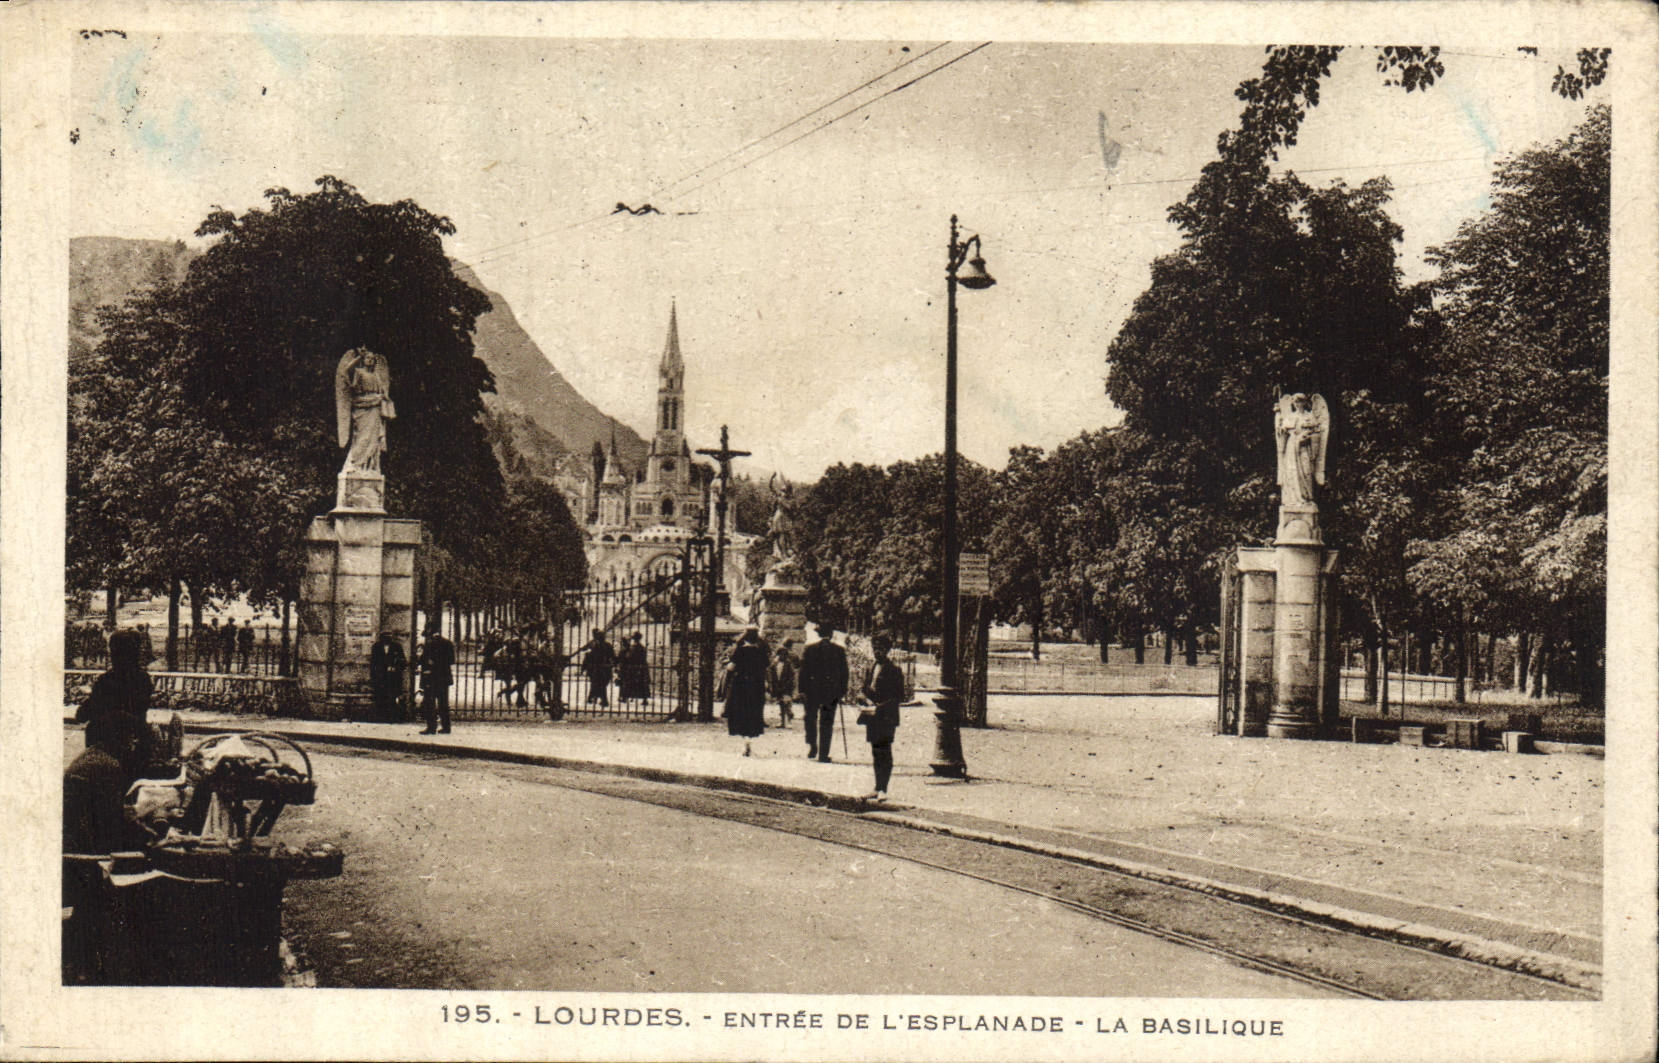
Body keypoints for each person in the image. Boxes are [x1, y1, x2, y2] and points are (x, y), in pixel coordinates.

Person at [76, 628, 154, 769]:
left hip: (105, 750)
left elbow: (81, 715)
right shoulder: (143, 679)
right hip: (133, 748)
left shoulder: (106, 681)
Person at [858, 633, 905, 802]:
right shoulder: (871, 668)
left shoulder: (894, 670)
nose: (877, 652)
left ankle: (884, 788)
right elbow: (866, 688)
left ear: (887, 650)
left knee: (885, 751)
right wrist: (862, 697)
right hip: (872, 716)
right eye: (874, 648)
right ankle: (877, 787)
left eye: (880, 649)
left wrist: (880, 708)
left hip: (886, 717)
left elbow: (899, 696)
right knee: (875, 751)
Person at [335, 347, 396, 475]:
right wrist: (358, 358)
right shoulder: (359, 372)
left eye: (372, 359)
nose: (370, 360)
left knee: (373, 440)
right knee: (362, 438)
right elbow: (346, 371)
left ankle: (370, 467)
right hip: (362, 409)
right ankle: (355, 464)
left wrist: (383, 398)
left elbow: (383, 393)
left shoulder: (377, 376)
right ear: (364, 360)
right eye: (368, 358)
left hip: (375, 409)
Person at [797, 622, 849, 762]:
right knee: (827, 722)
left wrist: (801, 689)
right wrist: (842, 691)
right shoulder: (839, 650)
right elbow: (844, 673)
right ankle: (823, 754)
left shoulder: (810, 649)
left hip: (812, 691)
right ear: (831, 634)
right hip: (831, 692)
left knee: (810, 719)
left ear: (819, 634)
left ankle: (813, 745)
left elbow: (803, 671)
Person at [723, 626, 769, 756]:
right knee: (753, 712)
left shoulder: (740, 651)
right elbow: (766, 668)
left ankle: (745, 741)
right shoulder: (761, 652)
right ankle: (749, 739)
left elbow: (731, 668)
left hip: (741, 685)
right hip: (757, 686)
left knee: (740, 712)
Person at [416, 624, 454, 735]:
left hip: (431, 678)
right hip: (443, 678)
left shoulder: (429, 645)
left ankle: (431, 727)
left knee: (430, 703)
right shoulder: (448, 643)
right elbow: (451, 660)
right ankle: (446, 727)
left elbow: (424, 661)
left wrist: (432, 664)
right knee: (443, 703)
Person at [369, 631, 408, 722]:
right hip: (380, 677)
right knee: (380, 697)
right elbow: (373, 662)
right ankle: (380, 717)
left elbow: (403, 661)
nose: (387, 639)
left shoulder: (397, 647)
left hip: (393, 677)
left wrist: (395, 667)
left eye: (389, 637)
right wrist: (375, 675)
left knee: (392, 697)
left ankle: (392, 717)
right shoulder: (376, 647)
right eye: (385, 637)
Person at [580, 630, 617, 708]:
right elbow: (613, 657)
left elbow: (589, 657)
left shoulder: (595, 645)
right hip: (604, 669)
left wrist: (584, 667)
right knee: (601, 685)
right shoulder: (607, 645)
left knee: (598, 684)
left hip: (598, 669)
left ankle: (596, 698)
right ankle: (598, 699)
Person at [768, 638, 798, 727]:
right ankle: (783, 722)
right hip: (779, 687)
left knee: (787, 705)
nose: (780, 656)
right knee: (781, 704)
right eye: (779, 655)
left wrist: (789, 686)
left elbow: (791, 677)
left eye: (782, 655)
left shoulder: (788, 665)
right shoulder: (775, 665)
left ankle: (788, 722)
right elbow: (772, 674)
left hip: (787, 688)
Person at [618, 632, 650, 704]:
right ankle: (644, 699)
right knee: (642, 684)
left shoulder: (632, 648)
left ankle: (624, 697)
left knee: (629, 682)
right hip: (642, 667)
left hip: (633, 667)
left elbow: (629, 656)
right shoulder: (642, 647)